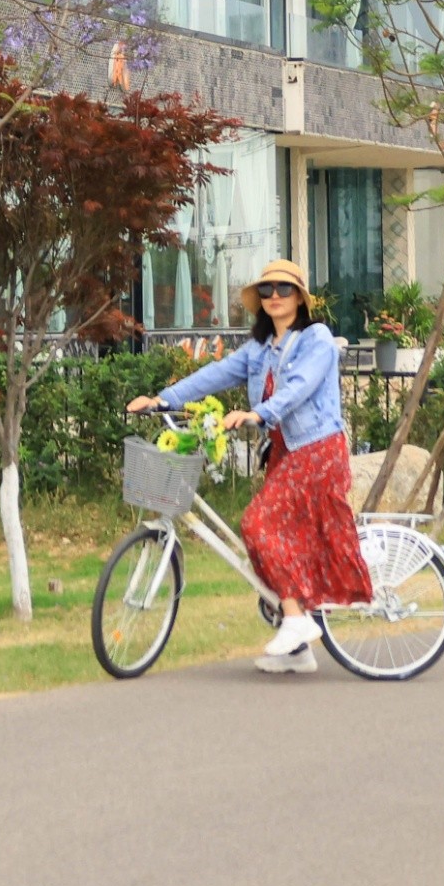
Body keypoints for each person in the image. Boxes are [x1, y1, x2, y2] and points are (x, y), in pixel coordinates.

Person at [129, 259, 374, 673]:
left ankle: (296, 620)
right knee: (276, 542)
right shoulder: (260, 349)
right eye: (266, 291)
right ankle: (299, 651)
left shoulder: (316, 338)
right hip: (283, 453)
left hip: (316, 450)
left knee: (258, 524)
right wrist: (162, 399)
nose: (274, 297)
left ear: (299, 297)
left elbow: (299, 389)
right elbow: (214, 374)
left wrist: (259, 413)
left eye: (283, 289)